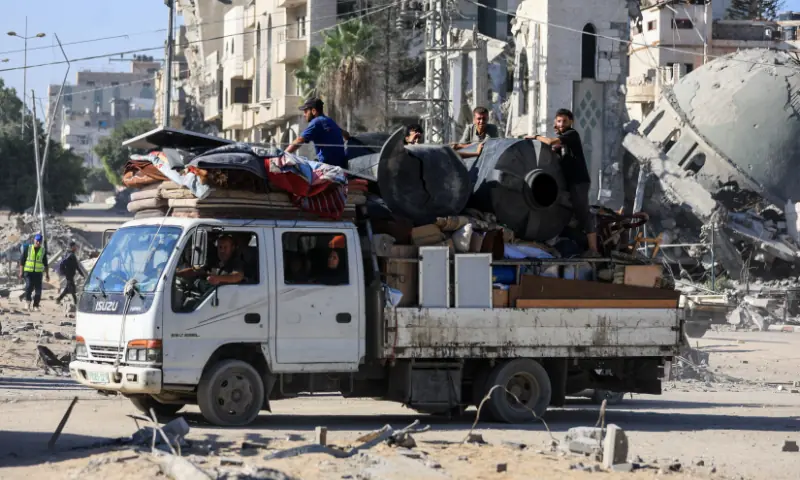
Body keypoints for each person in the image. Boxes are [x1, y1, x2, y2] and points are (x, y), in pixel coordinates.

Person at [526, 108, 598, 254]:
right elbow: (554, 151)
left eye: (565, 121)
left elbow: (550, 141)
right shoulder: (564, 141)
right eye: (559, 121)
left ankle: (593, 249)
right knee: (567, 213)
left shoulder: (572, 134)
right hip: (568, 183)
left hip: (579, 182)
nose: (562, 124)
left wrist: (536, 136)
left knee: (583, 213)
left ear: (571, 122)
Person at [285, 97, 350, 168]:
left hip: (327, 167)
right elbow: (346, 134)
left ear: (313, 111)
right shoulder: (329, 120)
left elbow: (299, 140)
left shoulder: (316, 122)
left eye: (306, 111)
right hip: (341, 166)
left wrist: (283, 155)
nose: (304, 114)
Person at [178, 235, 244, 286]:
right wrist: (177, 274)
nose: (222, 250)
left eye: (225, 247)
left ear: (232, 248)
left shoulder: (236, 262)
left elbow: (238, 276)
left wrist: (217, 278)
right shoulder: (214, 260)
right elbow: (196, 270)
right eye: (220, 247)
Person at [19, 233, 49, 311]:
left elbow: (45, 264)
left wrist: (47, 274)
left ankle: (36, 305)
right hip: (28, 272)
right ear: (34, 240)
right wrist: (21, 272)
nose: (38, 242)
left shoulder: (43, 251)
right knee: (29, 286)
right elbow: (22, 261)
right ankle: (27, 303)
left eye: (40, 241)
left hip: (38, 273)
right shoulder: (28, 249)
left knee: (38, 290)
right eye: (37, 240)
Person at [56, 241, 86, 305]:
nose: (76, 248)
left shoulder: (67, 253)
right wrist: (82, 275)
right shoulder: (72, 255)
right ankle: (76, 303)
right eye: (75, 246)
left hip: (68, 275)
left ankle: (58, 299)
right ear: (72, 247)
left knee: (67, 289)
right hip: (69, 275)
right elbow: (77, 267)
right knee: (73, 290)